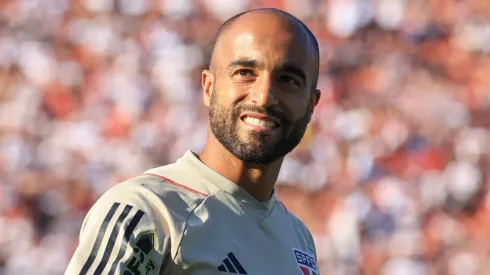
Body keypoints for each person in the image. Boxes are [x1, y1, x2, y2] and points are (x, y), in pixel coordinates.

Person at [65, 8, 322, 275]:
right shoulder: (148, 208)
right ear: (208, 88)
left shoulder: (299, 240)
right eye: (245, 72)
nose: (264, 95)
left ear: (311, 105)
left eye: (288, 80)